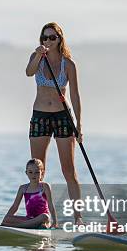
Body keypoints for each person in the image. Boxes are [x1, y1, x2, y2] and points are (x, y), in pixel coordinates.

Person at [25, 22, 84, 225]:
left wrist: (79, 126)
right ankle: (40, 216)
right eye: (44, 37)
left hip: (62, 117)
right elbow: (29, 72)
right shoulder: (37, 58)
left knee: (69, 170)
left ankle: (78, 218)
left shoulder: (69, 65)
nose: (48, 41)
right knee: (37, 170)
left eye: (52, 37)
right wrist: (38, 54)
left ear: (60, 39)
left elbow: (75, 96)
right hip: (40, 116)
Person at [1, 158, 58, 229]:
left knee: (45, 216)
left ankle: (17, 226)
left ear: (42, 173)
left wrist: (55, 222)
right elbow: (15, 207)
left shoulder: (44, 186)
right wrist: (6, 219)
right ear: (26, 173)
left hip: (42, 220)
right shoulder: (23, 188)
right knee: (7, 218)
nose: (33, 175)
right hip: (29, 219)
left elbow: (51, 205)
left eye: (37, 172)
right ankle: (30, 225)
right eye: (30, 172)